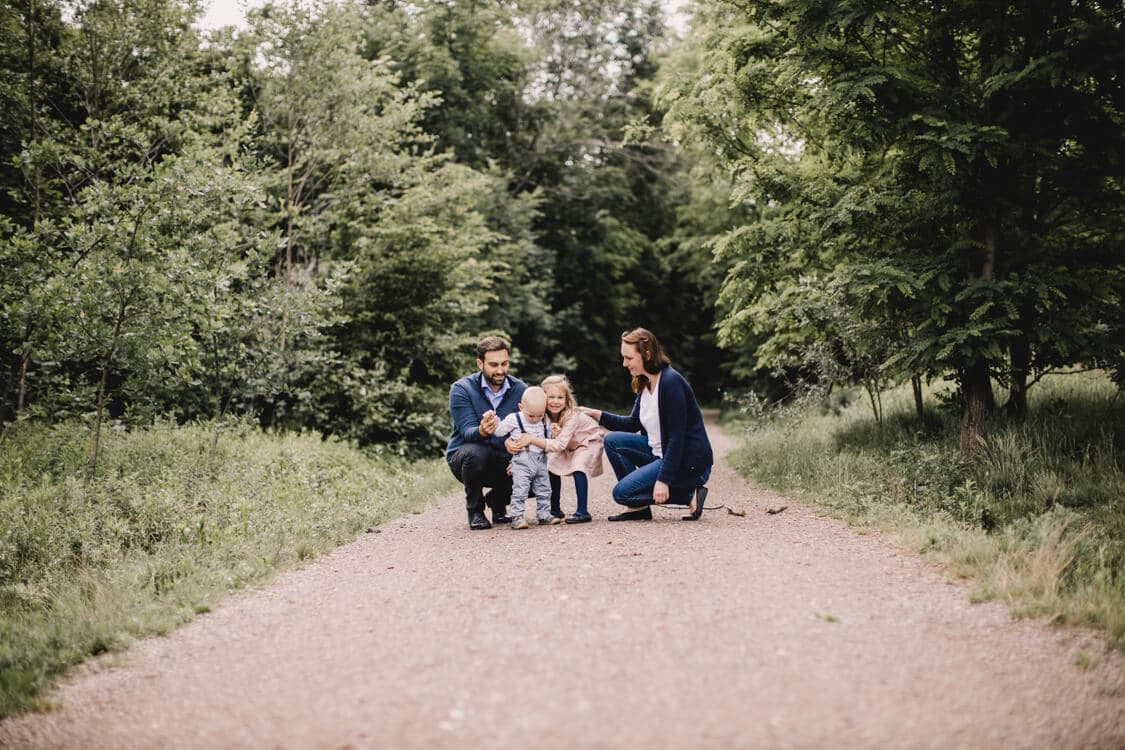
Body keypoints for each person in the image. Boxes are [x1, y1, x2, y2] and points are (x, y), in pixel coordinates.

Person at [580, 328, 713, 522]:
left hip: (688, 462)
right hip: (659, 453)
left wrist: (663, 480)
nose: (624, 364)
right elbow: (633, 423)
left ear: (647, 354)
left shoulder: (670, 382)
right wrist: (595, 414)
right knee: (613, 441)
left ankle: (688, 495)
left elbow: (678, 438)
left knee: (621, 494)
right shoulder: (645, 382)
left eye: (629, 358)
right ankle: (639, 508)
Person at [446, 335, 527, 530]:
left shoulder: (521, 389)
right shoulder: (462, 389)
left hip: (505, 458)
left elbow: (528, 429)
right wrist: (482, 430)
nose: (500, 370)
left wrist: (519, 456)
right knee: (475, 452)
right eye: (493, 365)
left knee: (543, 471)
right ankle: (475, 510)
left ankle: (498, 501)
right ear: (480, 363)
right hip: (468, 459)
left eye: (504, 364)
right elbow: (467, 432)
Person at [516, 374, 604, 524]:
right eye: (551, 397)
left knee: (578, 466)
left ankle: (583, 511)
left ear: (567, 399)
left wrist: (536, 439)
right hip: (570, 444)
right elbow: (545, 441)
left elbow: (558, 444)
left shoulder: (572, 415)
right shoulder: (542, 416)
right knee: (550, 466)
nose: (555, 402)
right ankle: (554, 509)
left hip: (588, 440)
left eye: (560, 397)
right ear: (543, 399)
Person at [491, 386, 562, 529]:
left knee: (544, 489)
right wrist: (494, 420)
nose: (535, 419)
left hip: (541, 460)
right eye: (531, 416)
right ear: (521, 407)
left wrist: (554, 433)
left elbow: (547, 439)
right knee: (520, 489)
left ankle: (544, 514)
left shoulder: (545, 420)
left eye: (539, 415)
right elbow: (498, 432)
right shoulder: (514, 419)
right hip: (522, 460)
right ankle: (517, 516)